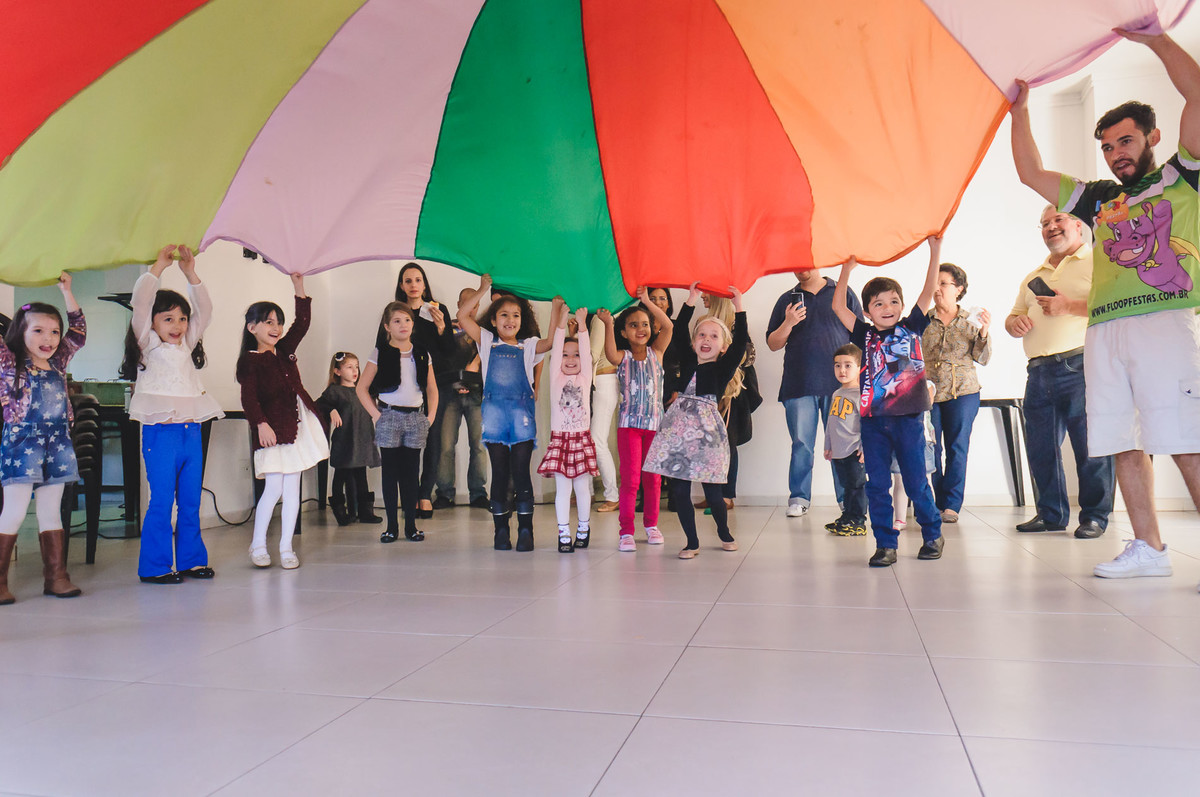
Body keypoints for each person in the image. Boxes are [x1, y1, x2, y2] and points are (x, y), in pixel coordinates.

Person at [1010, 29, 1200, 581]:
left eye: (1126, 141)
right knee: (1120, 438)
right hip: (1105, 329)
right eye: (1109, 147)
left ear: (1152, 137)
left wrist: (1155, 40)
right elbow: (1030, 173)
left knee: (1185, 438)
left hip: (1163, 322)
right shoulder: (1097, 198)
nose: (1117, 154)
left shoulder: (1183, 176)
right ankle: (1149, 548)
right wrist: (1019, 111)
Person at [832, 237, 944, 567]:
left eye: (894, 301)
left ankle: (933, 534)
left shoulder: (911, 328)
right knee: (877, 485)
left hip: (908, 419)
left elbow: (928, 290)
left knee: (916, 482)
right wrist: (846, 270)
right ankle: (885, 544)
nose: (887, 308)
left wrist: (935, 250)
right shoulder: (864, 335)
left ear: (902, 306)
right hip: (873, 422)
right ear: (867, 311)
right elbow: (838, 307)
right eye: (879, 304)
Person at [1006, 207, 1114, 538]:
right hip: (1038, 371)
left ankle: (1095, 517)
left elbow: (1113, 305)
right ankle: (1051, 514)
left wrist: (1068, 306)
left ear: (1078, 226)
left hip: (1081, 365)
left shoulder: (1099, 261)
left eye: (1058, 220)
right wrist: (1015, 324)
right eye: (1044, 224)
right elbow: (1013, 316)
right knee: (1041, 449)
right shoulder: (1033, 274)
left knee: (1090, 446)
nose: (1051, 227)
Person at [121, 244, 223, 584]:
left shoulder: (186, 344)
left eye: (181, 318)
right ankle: (156, 567)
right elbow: (140, 304)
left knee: (191, 501)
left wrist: (190, 273)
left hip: (191, 434)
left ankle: (192, 561)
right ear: (152, 323)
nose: (177, 325)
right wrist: (157, 268)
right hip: (161, 435)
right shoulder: (147, 344)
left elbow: (205, 310)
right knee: (162, 501)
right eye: (168, 319)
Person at [644, 283, 748, 559]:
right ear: (693, 342)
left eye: (714, 336)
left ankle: (724, 532)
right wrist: (690, 300)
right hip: (678, 433)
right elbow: (679, 329)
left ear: (722, 347)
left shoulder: (722, 368)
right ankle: (691, 541)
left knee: (713, 492)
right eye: (701, 334)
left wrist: (739, 307)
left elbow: (740, 343)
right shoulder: (689, 360)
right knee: (680, 490)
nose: (706, 339)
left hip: (707, 436)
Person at [0, 274, 85, 603]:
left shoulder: (58, 363)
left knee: (51, 510)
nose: (48, 338)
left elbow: (78, 331)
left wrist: (67, 292)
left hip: (58, 443)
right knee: (15, 510)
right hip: (22, 444)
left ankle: (57, 577)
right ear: (19, 333)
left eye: (53, 331)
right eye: (37, 330)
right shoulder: (9, 363)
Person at [237, 274, 329, 571]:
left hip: (295, 429)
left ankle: (286, 547)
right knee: (274, 488)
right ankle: (258, 544)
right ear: (252, 327)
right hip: (272, 433)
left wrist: (299, 287)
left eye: (278, 322)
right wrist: (260, 424)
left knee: (292, 491)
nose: (275, 328)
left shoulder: (285, 350)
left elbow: (302, 323)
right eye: (268, 322)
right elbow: (249, 399)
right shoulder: (250, 361)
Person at [457, 275, 551, 552]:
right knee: (499, 472)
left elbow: (550, 342)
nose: (510, 320)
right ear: (494, 320)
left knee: (521, 472)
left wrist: (558, 308)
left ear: (522, 319)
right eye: (504, 315)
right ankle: (500, 530)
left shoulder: (529, 344)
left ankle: (525, 530)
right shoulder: (486, 341)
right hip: (495, 417)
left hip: (522, 417)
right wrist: (483, 289)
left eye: (515, 315)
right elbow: (462, 316)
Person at [767, 266, 863, 517]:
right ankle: (799, 498)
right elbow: (773, 344)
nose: (801, 268)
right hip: (799, 383)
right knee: (801, 444)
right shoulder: (787, 299)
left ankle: (847, 500)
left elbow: (861, 336)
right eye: (795, 264)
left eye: (806, 262)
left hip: (841, 387)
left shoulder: (842, 293)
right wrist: (789, 322)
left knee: (844, 445)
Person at [598, 287, 674, 552]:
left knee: (653, 479)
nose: (640, 329)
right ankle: (626, 531)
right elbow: (610, 353)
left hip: (655, 427)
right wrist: (608, 323)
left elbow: (668, 326)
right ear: (624, 332)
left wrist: (646, 303)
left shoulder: (657, 352)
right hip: (629, 427)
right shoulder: (623, 358)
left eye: (644, 324)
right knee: (631, 480)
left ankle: (651, 525)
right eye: (633, 325)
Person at [359, 303, 439, 543]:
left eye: (407, 320)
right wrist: (376, 415)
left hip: (416, 417)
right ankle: (391, 526)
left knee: (411, 472)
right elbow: (362, 388)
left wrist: (430, 417)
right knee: (390, 472)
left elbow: (432, 388)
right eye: (397, 321)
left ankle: (411, 526)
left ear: (413, 324)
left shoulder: (422, 353)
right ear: (387, 326)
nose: (403, 325)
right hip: (389, 415)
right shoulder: (380, 352)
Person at [924, 262, 991, 523]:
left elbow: (983, 359)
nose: (937, 289)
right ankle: (934, 501)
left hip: (963, 392)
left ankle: (951, 505)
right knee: (930, 447)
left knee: (957, 447)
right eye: (935, 284)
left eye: (943, 283)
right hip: (928, 394)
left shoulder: (971, 320)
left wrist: (984, 332)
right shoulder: (923, 319)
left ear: (958, 289)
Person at [388, 263, 454, 519]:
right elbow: (384, 347)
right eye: (408, 280)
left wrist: (441, 327)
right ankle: (410, 494)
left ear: (424, 284)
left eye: (418, 280)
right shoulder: (396, 312)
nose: (413, 285)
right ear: (401, 285)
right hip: (404, 385)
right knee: (406, 442)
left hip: (435, 383)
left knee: (434, 438)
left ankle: (425, 494)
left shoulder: (437, 309)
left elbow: (449, 351)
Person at [537, 304, 597, 552]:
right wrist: (561, 320)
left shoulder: (585, 377)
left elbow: (587, 353)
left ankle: (583, 529)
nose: (571, 359)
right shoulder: (556, 377)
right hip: (560, 441)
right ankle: (563, 534)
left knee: (582, 488)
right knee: (563, 490)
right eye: (564, 355)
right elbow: (556, 345)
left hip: (581, 440)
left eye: (576, 355)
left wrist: (582, 324)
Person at [695, 294, 762, 513]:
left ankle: (726, 496)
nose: (703, 296)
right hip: (709, 390)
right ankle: (712, 495)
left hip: (732, 391)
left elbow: (748, 357)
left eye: (707, 293)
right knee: (707, 443)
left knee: (727, 443)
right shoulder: (705, 322)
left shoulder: (734, 323)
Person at [433, 288, 489, 510]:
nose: (471, 308)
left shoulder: (484, 330)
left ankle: (478, 493)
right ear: (458, 304)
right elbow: (440, 357)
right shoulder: (446, 328)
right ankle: (444, 493)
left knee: (479, 445)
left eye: (475, 305)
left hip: (477, 394)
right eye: (466, 303)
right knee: (445, 445)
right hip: (449, 393)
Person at [315, 352, 382, 527]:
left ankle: (365, 512)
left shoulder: (363, 390)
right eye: (349, 367)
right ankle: (341, 512)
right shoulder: (335, 391)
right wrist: (332, 410)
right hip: (345, 441)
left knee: (361, 474)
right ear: (337, 371)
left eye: (356, 367)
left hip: (362, 439)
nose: (355, 371)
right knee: (341, 474)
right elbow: (319, 404)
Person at [823, 344, 867, 536]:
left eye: (848, 365)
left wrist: (866, 447)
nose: (842, 370)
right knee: (847, 486)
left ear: (860, 368)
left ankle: (858, 520)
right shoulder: (837, 393)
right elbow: (830, 423)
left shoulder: (861, 395)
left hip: (854, 450)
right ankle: (847, 516)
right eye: (838, 365)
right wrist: (828, 445)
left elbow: (867, 425)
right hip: (838, 451)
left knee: (856, 486)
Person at [589, 312, 621, 513]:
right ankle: (588, 491)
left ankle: (612, 496)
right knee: (589, 439)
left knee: (596, 441)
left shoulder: (599, 317)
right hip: (601, 382)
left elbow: (592, 355)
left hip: (603, 381)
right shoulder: (599, 316)